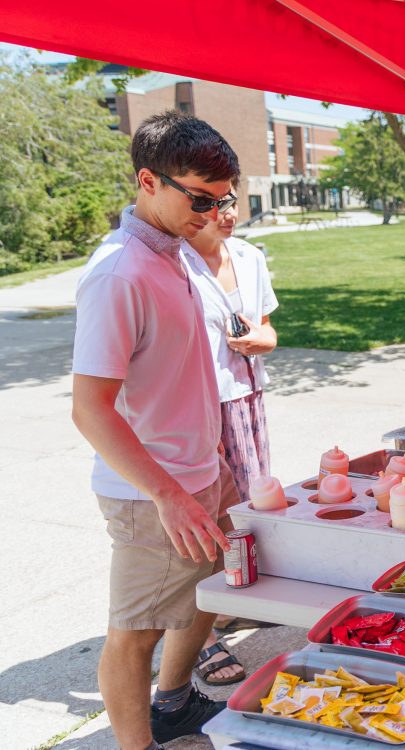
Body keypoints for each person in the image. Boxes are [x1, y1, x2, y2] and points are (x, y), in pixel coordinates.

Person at [72, 111, 240, 749]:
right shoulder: (118, 273)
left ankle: (172, 703)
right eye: (200, 198)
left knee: (207, 592)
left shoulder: (174, 252)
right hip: (151, 496)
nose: (213, 212)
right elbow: (91, 409)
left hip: (200, 471)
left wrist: (214, 460)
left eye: (223, 198)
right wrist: (168, 493)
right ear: (148, 181)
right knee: (135, 631)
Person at [180, 193, 279, 686]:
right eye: (213, 202)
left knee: (245, 507)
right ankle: (198, 637)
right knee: (206, 515)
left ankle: (224, 608)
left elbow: (267, 327)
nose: (227, 213)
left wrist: (266, 339)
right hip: (198, 406)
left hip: (247, 397)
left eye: (232, 200)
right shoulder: (173, 263)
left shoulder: (249, 257)